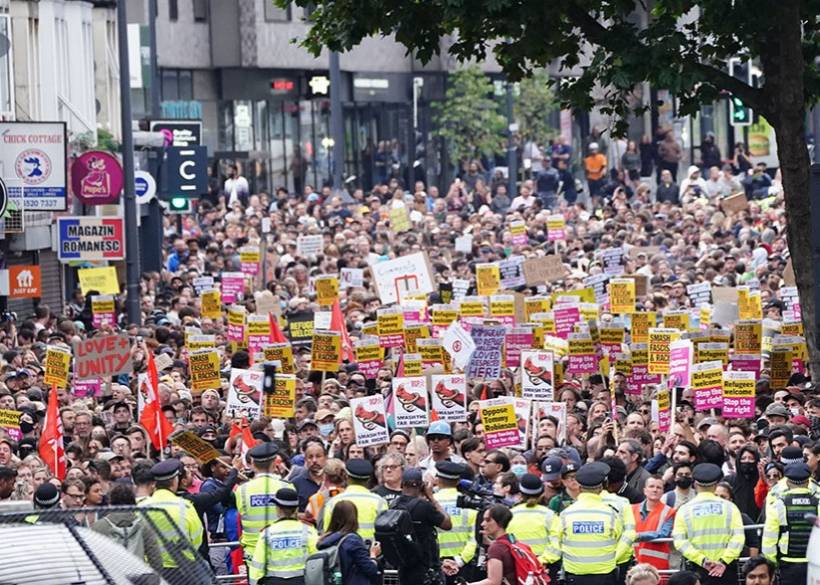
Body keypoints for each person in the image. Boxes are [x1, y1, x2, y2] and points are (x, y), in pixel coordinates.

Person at [672, 463, 745, 585]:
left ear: (695, 484)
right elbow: (738, 538)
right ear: (716, 485)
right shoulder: (730, 508)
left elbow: (680, 541)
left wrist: (703, 560)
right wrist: (723, 561)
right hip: (726, 569)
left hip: (698, 571)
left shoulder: (684, 510)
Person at [558, 462, 624, 585]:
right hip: (605, 578)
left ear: (580, 488)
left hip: (574, 578)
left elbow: (557, 542)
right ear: (600, 488)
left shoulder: (566, 514)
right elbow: (619, 539)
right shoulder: (611, 514)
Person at [138, 460, 204, 580]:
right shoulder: (185, 506)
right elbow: (197, 537)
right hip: (183, 568)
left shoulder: (141, 507)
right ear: (175, 481)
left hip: (151, 569)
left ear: (154, 483)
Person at [391, 467, 452, 585]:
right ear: (421, 486)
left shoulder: (394, 506)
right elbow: (447, 524)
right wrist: (431, 497)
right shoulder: (424, 506)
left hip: (404, 568)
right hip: (426, 568)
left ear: (402, 485)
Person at [761, 462, 819, 584]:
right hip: (815, 563)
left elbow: (769, 541)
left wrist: (772, 565)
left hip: (788, 564)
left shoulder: (777, 505)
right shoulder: (818, 503)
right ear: (808, 482)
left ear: (787, 482)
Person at [236, 443, 294, 560]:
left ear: (253, 464)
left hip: (253, 551)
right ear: (274, 463)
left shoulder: (242, 490)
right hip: (281, 549)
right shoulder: (287, 486)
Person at [248, 487, 318, 585]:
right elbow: (316, 560)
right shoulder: (308, 530)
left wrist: (254, 582)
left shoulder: (267, 533)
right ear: (297, 509)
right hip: (302, 581)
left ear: (278, 508)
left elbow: (257, 565)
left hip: (274, 581)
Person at [91, 483, 163, 571]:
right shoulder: (143, 526)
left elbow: (92, 559)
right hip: (137, 577)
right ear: (133, 504)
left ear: (110, 503)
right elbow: (155, 558)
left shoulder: (98, 527)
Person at [506, 473, 561, 580]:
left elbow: (506, 542)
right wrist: (541, 561)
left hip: (517, 566)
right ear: (541, 493)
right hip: (544, 569)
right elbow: (556, 544)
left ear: (521, 493)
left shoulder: (510, 514)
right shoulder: (549, 515)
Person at [320, 459, 388, 542]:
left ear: (347, 477)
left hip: (341, 552)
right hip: (372, 552)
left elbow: (328, 533)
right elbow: (385, 534)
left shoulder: (333, 502)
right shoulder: (380, 502)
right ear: (368, 479)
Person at [316, 500, 381, 585]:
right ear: (354, 517)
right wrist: (373, 555)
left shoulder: (325, 539)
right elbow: (370, 569)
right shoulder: (352, 541)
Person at [436, 462, 478, 581]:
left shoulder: (431, 503)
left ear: (438, 480)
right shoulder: (469, 503)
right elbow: (473, 538)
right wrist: (460, 561)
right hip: (462, 565)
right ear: (458, 481)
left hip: (437, 563)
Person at [632, 476, 675, 573]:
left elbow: (663, 534)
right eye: (651, 486)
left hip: (658, 567)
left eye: (659, 487)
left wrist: (638, 536)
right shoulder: (631, 509)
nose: (655, 490)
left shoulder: (669, 512)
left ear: (663, 491)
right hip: (634, 565)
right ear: (644, 490)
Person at [466, 504, 516, 585]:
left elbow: (494, 581)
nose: (482, 524)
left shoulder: (496, 548)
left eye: (488, 520)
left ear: (499, 522)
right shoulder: (511, 539)